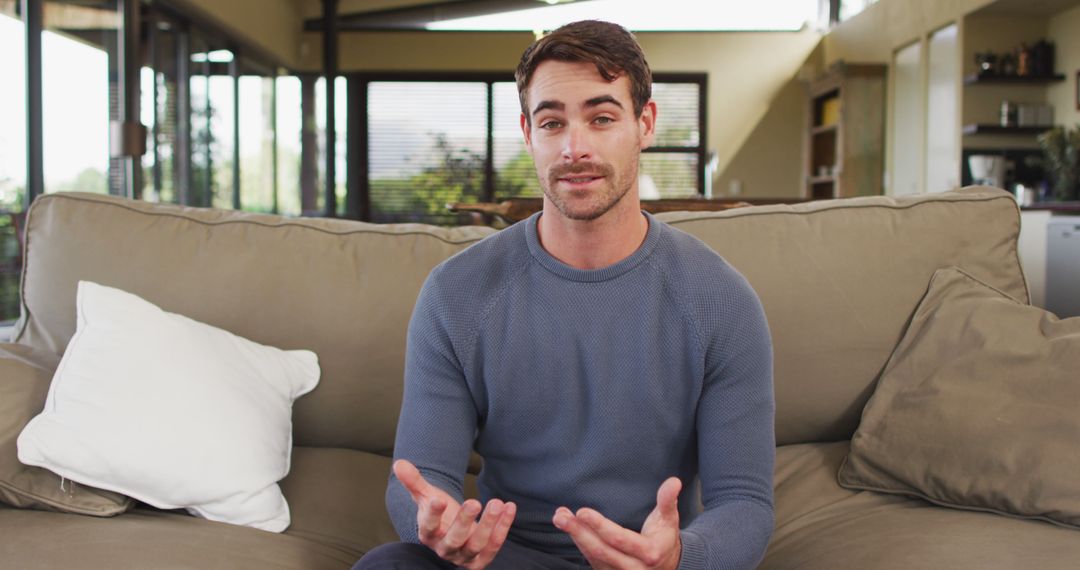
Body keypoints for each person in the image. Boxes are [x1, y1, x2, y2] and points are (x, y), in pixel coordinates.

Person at [355, 19, 775, 570]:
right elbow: (421, 474)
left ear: (644, 124)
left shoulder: (720, 300)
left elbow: (743, 501)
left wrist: (679, 558)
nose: (575, 147)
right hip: (501, 561)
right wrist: (434, 522)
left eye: (602, 118)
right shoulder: (456, 294)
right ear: (529, 133)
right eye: (552, 122)